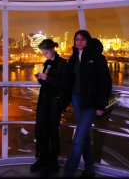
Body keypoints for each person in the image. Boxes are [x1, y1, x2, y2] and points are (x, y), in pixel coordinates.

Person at [63, 31, 112, 178]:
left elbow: (105, 82)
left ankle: (68, 173)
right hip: (77, 100)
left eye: (82, 40)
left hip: (91, 103)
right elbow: (69, 81)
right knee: (82, 136)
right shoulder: (72, 59)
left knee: (78, 139)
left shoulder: (97, 58)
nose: (79, 42)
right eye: (77, 39)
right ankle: (90, 169)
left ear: (88, 41)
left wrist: (101, 105)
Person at [30, 38, 69, 177]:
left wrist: (47, 79)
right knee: (40, 130)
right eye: (42, 51)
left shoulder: (63, 64)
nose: (44, 53)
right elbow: (47, 82)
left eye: (45, 51)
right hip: (44, 101)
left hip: (54, 103)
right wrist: (41, 79)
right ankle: (43, 158)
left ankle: (53, 163)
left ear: (52, 49)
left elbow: (64, 85)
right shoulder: (47, 63)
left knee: (53, 132)